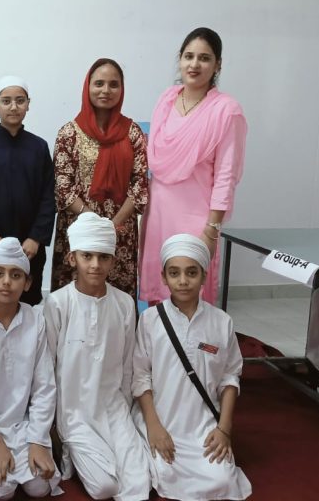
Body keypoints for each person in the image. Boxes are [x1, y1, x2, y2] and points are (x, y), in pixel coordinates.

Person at [133, 234, 252, 501]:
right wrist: (154, 426)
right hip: (161, 419)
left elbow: (230, 377)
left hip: (203, 424)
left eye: (191, 272)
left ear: (204, 276)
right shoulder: (150, 320)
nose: (183, 281)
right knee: (162, 474)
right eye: (174, 273)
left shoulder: (222, 322)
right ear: (164, 277)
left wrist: (224, 429)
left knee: (222, 481)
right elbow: (140, 376)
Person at [44, 212, 150, 501]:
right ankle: (77, 450)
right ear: (72, 259)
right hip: (74, 413)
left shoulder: (124, 303)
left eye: (103, 257)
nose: (95, 264)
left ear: (113, 261)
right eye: (87, 256)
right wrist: (52, 424)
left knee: (140, 482)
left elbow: (128, 364)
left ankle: (109, 448)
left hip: (114, 408)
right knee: (105, 487)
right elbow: (47, 367)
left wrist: (125, 411)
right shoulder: (58, 303)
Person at [139, 27, 247, 304]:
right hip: (159, 212)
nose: (194, 64)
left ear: (217, 64)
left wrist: (212, 228)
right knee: (158, 290)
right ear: (180, 59)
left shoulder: (226, 111)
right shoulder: (167, 99)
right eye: (189, 56)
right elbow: (156, 160)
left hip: (196, 218)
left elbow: (226, 175)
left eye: (204, 58)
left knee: (189, 293)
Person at [0, 237, 61, 500]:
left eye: (16, 275)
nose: (6, 281)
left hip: (25, 426)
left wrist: (38, 440)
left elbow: (44, 387)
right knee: (0, 492)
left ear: (28, 283)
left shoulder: (36, 320)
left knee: (40, 487)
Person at [52, 58, 148, 299]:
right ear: (88, 86)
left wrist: (112, 225)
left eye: (113, 84)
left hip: (120, 230)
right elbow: (63, 186)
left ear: (122, 89)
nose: (106, 90)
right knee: (73, 299)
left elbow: (139, 184)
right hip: (78, 227)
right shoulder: (69, 133)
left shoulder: (132, 133)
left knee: (117, 299)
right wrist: (93, 222)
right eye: (99, 84)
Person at [0, 76, 55, 306]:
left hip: (29, 248)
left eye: (20, 100)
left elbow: (48, 196)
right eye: (6, 101)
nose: (13, 107)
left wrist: (35, 238)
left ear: (28, 104)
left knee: (26, 305)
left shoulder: (39, 147)